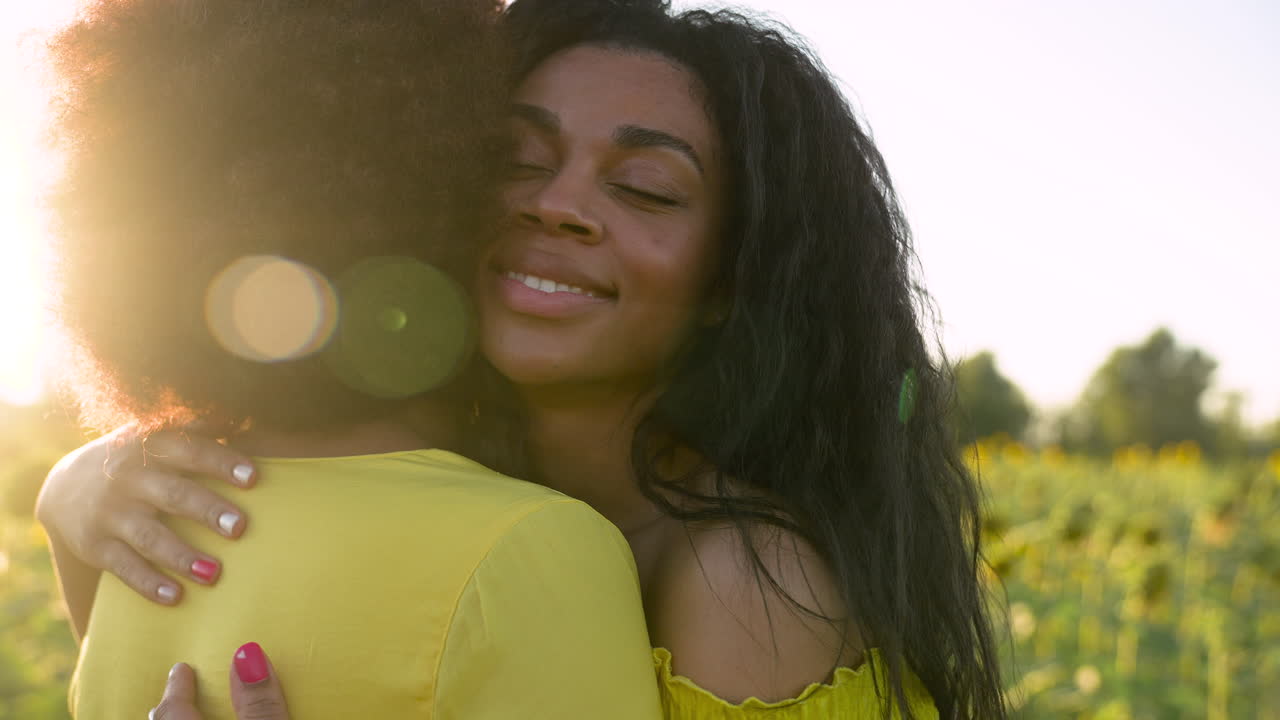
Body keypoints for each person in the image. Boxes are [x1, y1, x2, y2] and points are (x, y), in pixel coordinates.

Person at [39, 0, 1009, 718]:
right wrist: (72, 492)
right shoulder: (459, 507)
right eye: (515, 157)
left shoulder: (740, 581)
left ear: (729, 282)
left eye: (644, 188)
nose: (557, 203)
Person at [40, 0, 663, 718]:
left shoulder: (137, 535)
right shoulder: (528, 551)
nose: (550, 212)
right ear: (445, 192)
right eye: (514, 166)